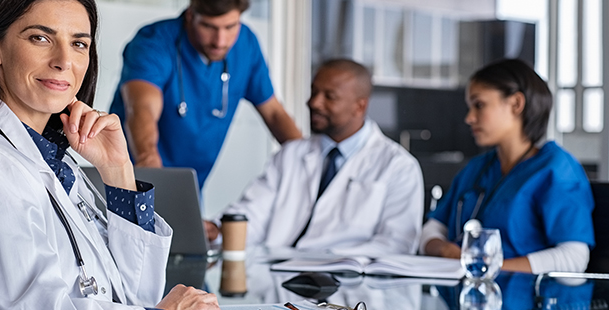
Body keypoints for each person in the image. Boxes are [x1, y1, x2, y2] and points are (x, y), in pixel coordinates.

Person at [0, 0, 219, 309]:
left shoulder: (56, 160)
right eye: (40, 38)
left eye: (78, 43)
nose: (64, 61)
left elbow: (138, 295)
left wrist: (117, 171)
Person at [205, 59, 424, 256]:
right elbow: (253, 213)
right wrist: (217, 230)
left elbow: (396, 245)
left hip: (351, 290)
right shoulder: (291, 154)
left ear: (360, 106)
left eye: (330, 97)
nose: (314, 103)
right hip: (278, 283)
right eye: (314, 91)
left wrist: (324, 258)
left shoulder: (398, 166)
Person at [420, 59, 595, 274]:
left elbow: (574, 258)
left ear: (515, 104)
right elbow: (432, 229)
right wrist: (444, 250)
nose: (469, 118)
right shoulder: (477, 169)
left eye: (479, 105)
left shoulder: (557, 171)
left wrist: (486, 269)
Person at [109, 0, 301, 189]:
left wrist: (312, 161)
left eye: (230, 26)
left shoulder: (246, 45)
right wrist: (152, 172)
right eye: (209, 27)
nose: (220, 41)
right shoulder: (154, 42)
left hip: (190, 186)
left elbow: (275, 114)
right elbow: (142, 109)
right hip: (136, 179)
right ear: (190, 15)